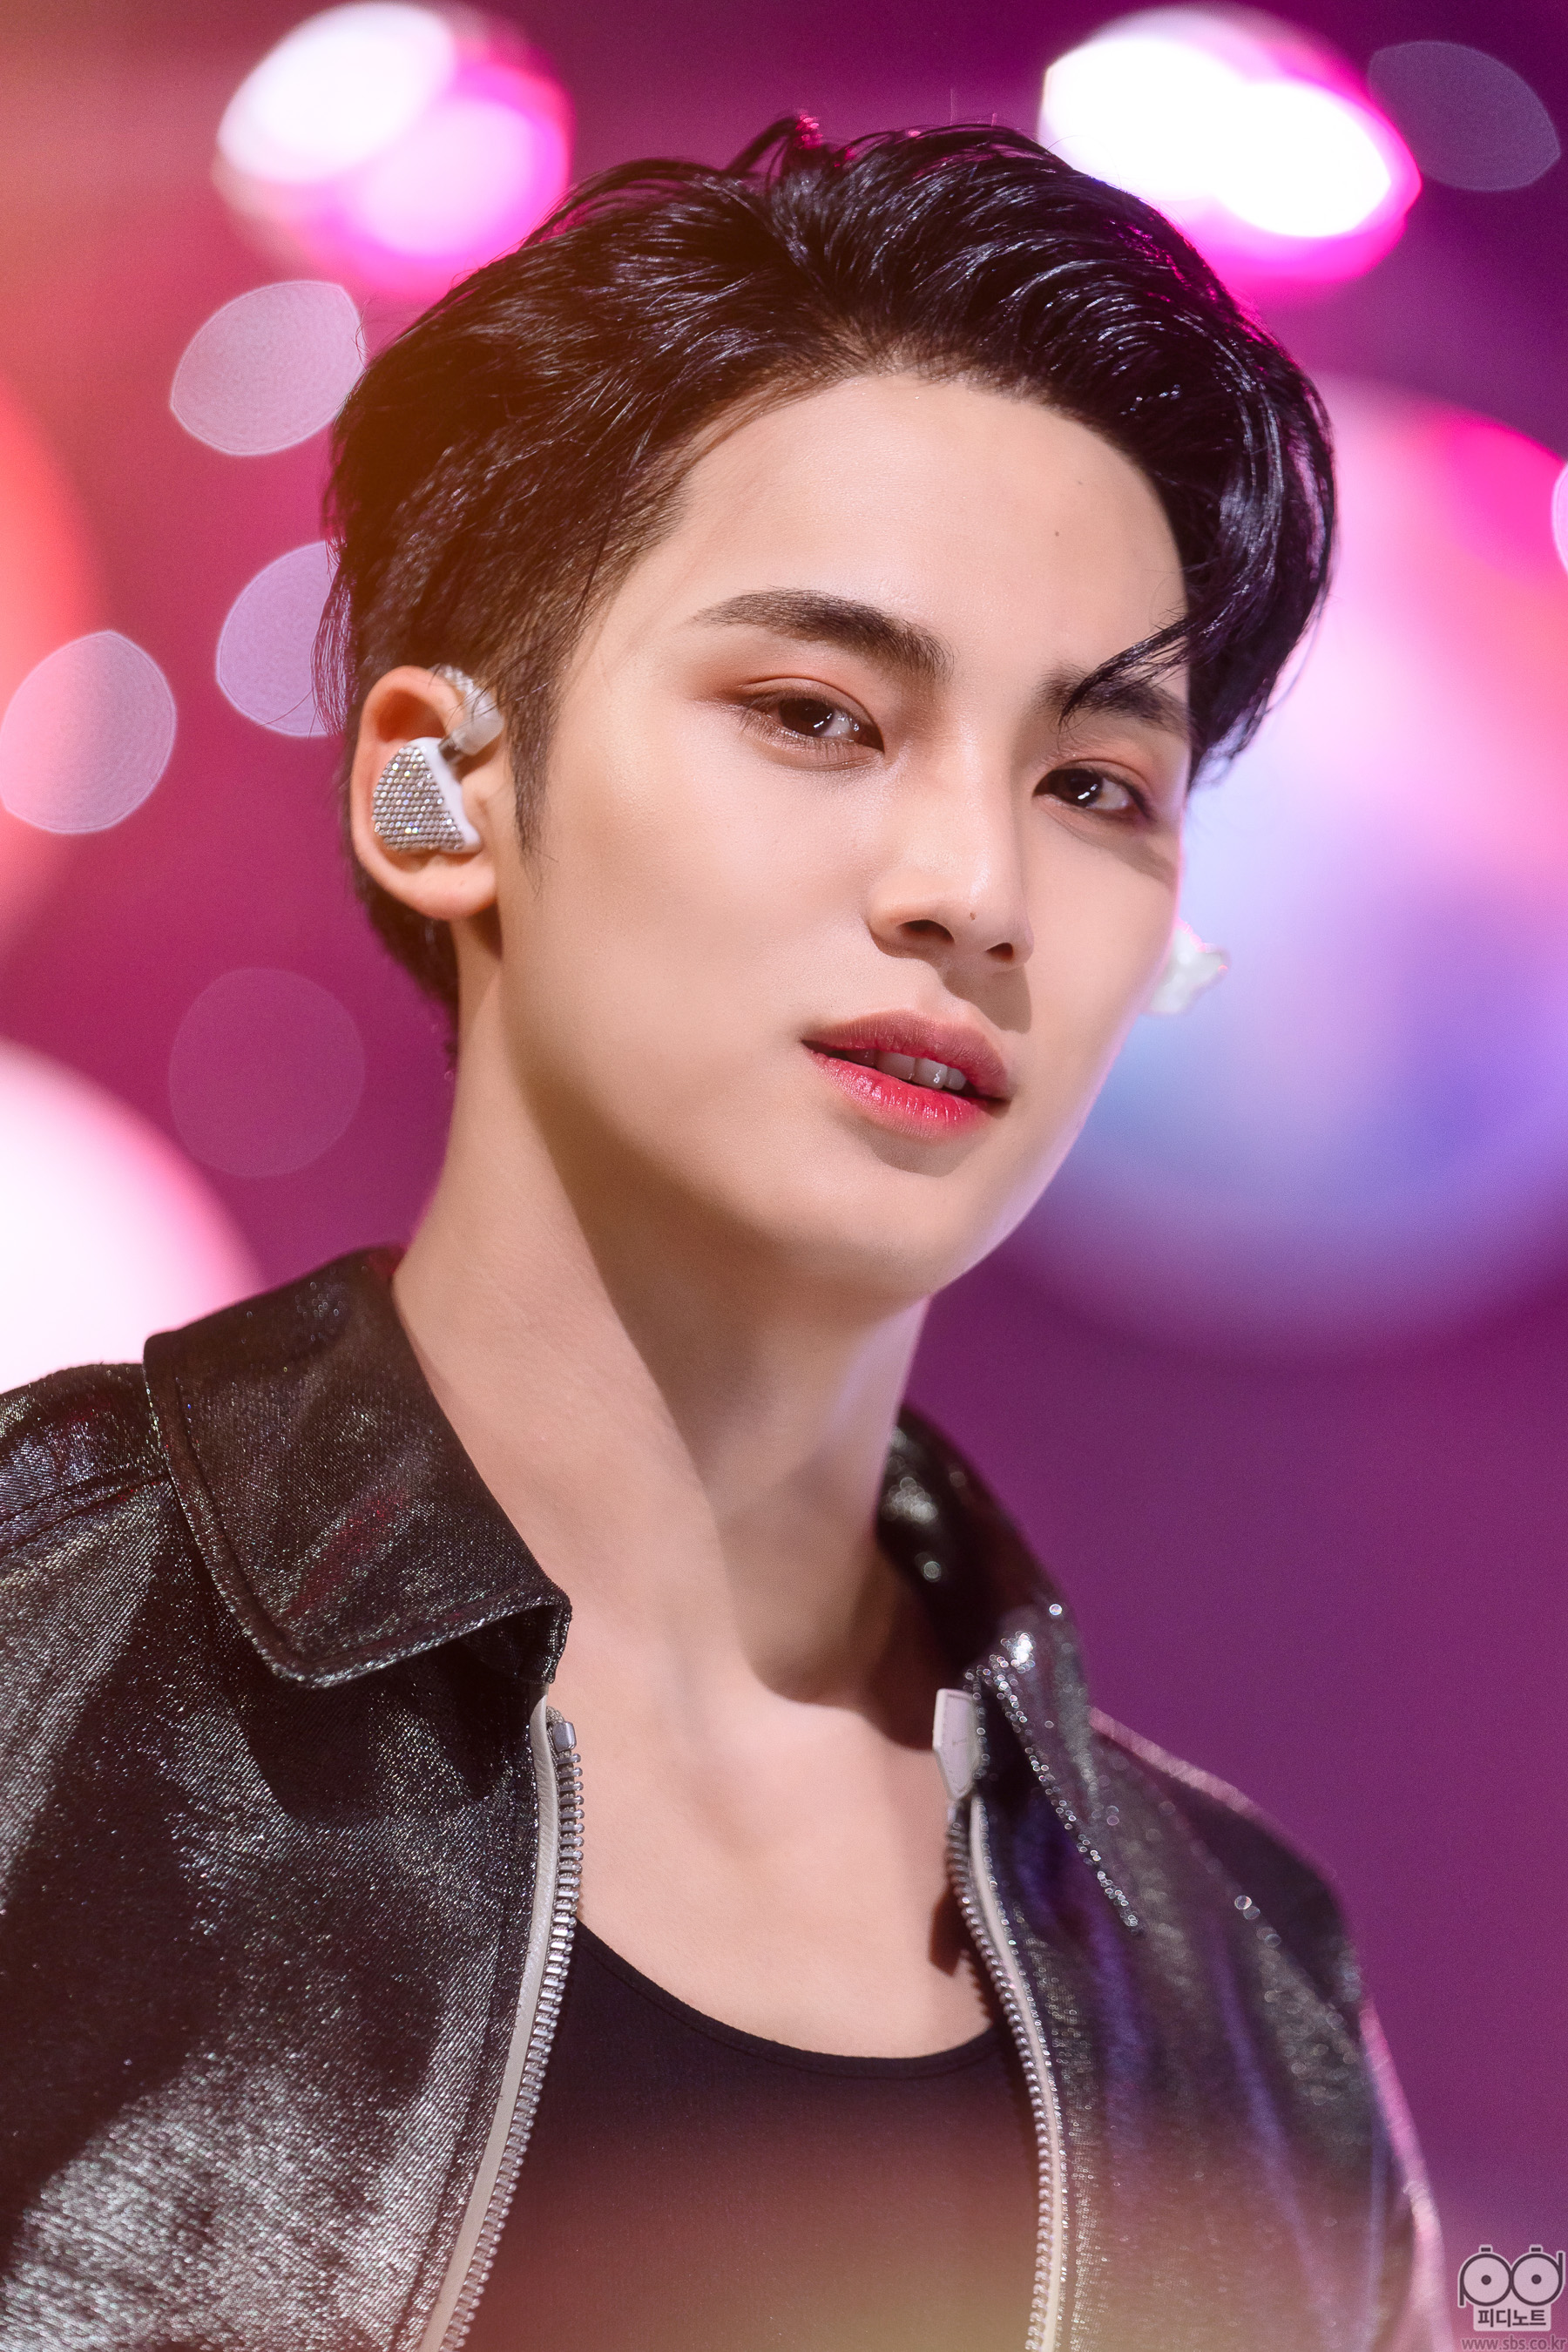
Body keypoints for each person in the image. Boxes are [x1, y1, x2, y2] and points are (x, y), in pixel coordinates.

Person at [0, 119, 1445, 2352]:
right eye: (816, 714)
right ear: (441, 790)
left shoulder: (1245, 1992)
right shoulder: (36, 1668)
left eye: (1094, 784)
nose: (973, 888)